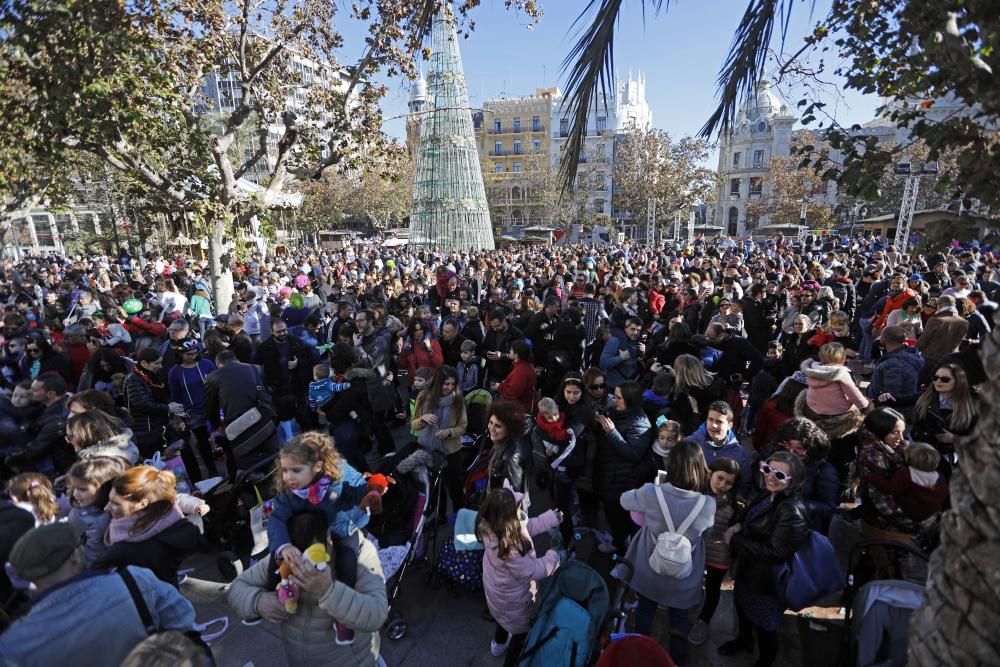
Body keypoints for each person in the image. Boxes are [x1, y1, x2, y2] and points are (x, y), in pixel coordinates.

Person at [0, 522, 197, 667]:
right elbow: (187, 630)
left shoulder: (11, 645)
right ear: (74, 557)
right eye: (81, 542)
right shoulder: (135, 581)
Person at [229, 508, 388, 666]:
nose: (299, 565)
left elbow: (377, 614)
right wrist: (257, 601)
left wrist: (329, 592)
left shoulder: (360, 554)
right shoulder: (284, 553)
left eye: (310, 555)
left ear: (327, 537)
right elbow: (237, 588)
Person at [268, 432, 384, 645]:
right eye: (284, 471)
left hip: (343, 527)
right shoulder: (290, 491)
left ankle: (342, 618)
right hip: (313, 532)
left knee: (347, 562)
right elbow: (276, 519)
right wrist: (283, 546)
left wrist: (371, 493)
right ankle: (280, 590)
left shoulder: (340, 475)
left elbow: (359, 489)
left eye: (295, 471)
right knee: (278, 554)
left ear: (318, 467)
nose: (288, 477)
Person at [619, 441, 715, 665]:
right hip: (684, 576)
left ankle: (640, 654)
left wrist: (652, 490)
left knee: (645, 609)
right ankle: (676, 660)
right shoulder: (708, 504)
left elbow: (624, 500)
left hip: (648, 569)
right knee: (679, 618)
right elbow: (706, 533)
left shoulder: (652, 492)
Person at [720, 451, 810, 667]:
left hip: (766, 583)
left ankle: (765, 660)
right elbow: (753, 518)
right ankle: (744, 640)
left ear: (793, 481)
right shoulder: (767, 493)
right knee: (742, 608)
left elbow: (777, 552)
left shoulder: (790, 510)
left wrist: (736, 540)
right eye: (768, 469)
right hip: (748, 572)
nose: (770, 476)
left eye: (779, 475)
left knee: (765, 626)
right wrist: (739, 525)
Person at [476, 487, 563, 666]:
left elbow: (527, 526)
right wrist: (554, 556)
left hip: (498, 597)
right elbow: (532, 571)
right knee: (520, 633)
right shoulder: (511, 546)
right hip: (514, 601)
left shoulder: (493, 528)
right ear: (509, 517)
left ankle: (498, 645)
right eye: (517, 506)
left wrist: (551, 518)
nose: (521, 508)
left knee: (502, 621)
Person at [94, 465, 202, 587]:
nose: (106, 508)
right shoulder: (172, 522)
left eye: (115, 503)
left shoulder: (126, 551)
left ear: (142, 504)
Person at [880, 363, 977, 476]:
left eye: (945, 379)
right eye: (935, 378)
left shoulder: (971, 406)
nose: (938, 381)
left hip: (942, 456)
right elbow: (902, 400)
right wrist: (885, 397)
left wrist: (955, 439)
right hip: (915, 446)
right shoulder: (927, 395)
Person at [594, 380, 655, 553]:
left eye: (619, 397)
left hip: (619, 482)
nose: (614, 400)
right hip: (606, 475)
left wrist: (612, 433)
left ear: (630, 400)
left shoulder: (641, 424)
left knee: (618, 520)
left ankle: (620, 548)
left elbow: (634, 454)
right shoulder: (615, 412)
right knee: (611, 517)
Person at [690, 457, 743, 646]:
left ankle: (703, 621)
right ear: (711, 472)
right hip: (695, 549)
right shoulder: (695, 491)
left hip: (719, 554)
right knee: (693, 581)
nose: (722, 485)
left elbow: (741, 523)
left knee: (713, 589)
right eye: (720, 478)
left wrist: (736, 528)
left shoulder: (737, 504)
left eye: (729, 483)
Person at [856, 408, 926, 544]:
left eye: (902, 432)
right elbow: (883, 503)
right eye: (895, 433)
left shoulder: (892, 447)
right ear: (880, 431)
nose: (901, 438)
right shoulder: (873, 456)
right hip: (887, 526)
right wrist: (918, 524)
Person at [409, 366, 468, 515]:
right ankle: (439, 516)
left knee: (455, 487)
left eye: (452, 384)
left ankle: (459, 517)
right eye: (446, 383)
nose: (449, 387)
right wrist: (423, 418)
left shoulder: (458, 398)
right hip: (429, 450)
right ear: (438, 383)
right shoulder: (423, 396)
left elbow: (463, 427)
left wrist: (449, 432)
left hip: (451, 452)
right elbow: (414, 423)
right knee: (434, 488)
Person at [167, 339, 219, 481]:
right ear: (180, 354)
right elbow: (175, 396)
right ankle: (212, 471)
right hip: (193, 413)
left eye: (195, 353)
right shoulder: (175, 372)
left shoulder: (207, 364)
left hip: (213, 407)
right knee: (203, 442)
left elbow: (218, 385)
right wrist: (179, 417)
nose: (193, 356)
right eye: (189, 354)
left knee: (221, 438)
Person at [863, 441, 948, 523]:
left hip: (909, 511)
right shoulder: (940, 476)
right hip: (929, 514)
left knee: (875, 498)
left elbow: (890, 488)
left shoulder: (906, 473)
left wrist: (869, 476)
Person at [67, 456, 129, 567]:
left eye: (82, 489)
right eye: (74, 487)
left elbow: (94, 555)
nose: (75, 494)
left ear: (104, 489)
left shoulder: (103, 520)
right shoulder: (81, 508)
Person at [125, 348, 186, 458]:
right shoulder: (134, 379)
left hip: (158, 428)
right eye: (156, 363)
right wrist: (167, 408)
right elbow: (142, 404)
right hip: (147, 432)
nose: (160, 366)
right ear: (144, 363)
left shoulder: (151, 376)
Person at [687, 401, 751, 496]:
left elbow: (744, 487)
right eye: (710, 419)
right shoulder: (689, 444)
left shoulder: (740, 455)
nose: (713, 425)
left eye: (719, 421)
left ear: (730, 425)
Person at [667, 354, 728, 434]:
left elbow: (686, 425)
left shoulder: (688, 395)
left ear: (681, 373)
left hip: (695, 434)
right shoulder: (718, 383)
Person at [486, 400, 530, 498]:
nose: (491, 428)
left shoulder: (512, 457)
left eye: (498, 426)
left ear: (509, 429)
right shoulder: (500, 441)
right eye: (491, 422)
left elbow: (513, 495)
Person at [867, 326, 922, 401]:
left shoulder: (893, 365)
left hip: (891, 409)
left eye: (881, 336)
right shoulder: (911, 354)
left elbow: (891, 397)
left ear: (884, 339)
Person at [495, 340, 536, 412]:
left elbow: (511, 393)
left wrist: (499, 387)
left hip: (517, 409)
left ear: (516, 355)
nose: (509, 351)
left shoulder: (521, 371)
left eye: (511, 350)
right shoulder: (525, 366)